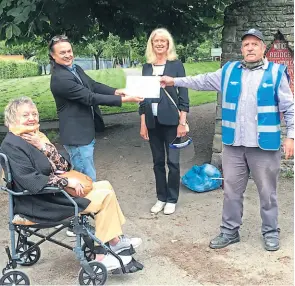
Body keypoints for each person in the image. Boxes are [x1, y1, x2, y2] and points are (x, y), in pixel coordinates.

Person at [160, 28, 294, 250]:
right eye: (246, 45)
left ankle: (271, 231)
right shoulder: (229, 71)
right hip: (234, 145)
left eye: (254, 44)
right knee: (231, 190)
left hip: (264, 146)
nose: (250, 48)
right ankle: (229, 231)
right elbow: (201, 80)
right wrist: (174, 81)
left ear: (262, 48)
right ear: (242, 49)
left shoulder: (276, 73)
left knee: (267, 192)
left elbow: (290, 108)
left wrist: (291, 136)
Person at [1, 97, 142, 270]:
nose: (32, 118)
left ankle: (116, 239)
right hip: (39, 202)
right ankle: (103, 252)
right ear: (12, 120)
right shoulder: (13, 145)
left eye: (34, 113)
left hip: (50, 193)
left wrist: (43, 147)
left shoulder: (36, 137)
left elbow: (64, 165)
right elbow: (31, 181)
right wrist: (66, 181)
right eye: (25, 115)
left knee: (105, 185)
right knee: (105, 196)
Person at [49, 35, 143, 183]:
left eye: (69, 51)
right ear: (53, 56)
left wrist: (116, 91)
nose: (68, 55)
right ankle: (86, 206)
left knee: (87, 175)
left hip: (85, 132)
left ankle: (88, 203)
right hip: (77, 136)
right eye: (62, 53)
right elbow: (89, 98)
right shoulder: (60, 79)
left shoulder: (75, 68)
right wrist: (123, 100)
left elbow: (93, 85)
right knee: (85, 179)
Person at [139, 28, 189, 215]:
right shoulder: (146, 67)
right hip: (153, 122)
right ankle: (161, 197)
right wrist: (143, 122)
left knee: (173, 162)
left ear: (168, 44)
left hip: (172, 121)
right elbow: (143, 99)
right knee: (157, 162)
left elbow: (183, 95)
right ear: (151, 44)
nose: (159, 44)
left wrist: (182, 122)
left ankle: (171, 198)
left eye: (163, 41)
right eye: (156, 41)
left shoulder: (176, 65)